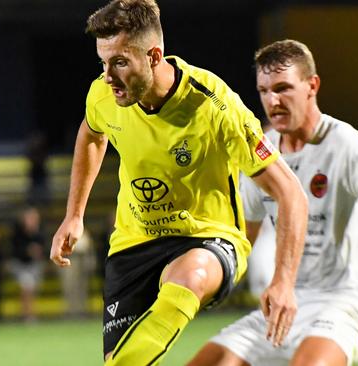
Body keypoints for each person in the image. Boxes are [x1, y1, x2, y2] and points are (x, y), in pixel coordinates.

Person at [49, 1, 308, 365]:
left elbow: (291, 194)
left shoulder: (215, 106)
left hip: (207, 237)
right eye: (102, 63)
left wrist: (283, 282)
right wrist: (74, 214)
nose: (108, 76)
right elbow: (92, 134)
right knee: (124, 361)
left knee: (191, 275)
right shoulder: (103, 95)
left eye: (120, 62)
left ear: (154, 56)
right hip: (134, 241)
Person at [188, 39, 358, 366]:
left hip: (342, 302)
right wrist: (201, 278)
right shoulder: (262, 153)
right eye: (264, 90)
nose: (273, 101)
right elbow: (245, 235)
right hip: (280, 304)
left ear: (312, 85)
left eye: (283, 88)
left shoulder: (344, 144)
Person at [10, 206, 47, 321]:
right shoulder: (17, 232)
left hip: (34, 266)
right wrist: (28, 250)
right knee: (27, 285)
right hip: (20, 266)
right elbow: (14, 252)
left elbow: (45, 251)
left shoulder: (40, 233)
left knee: (31, 288)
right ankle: (27, 314)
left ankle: (28, 313)